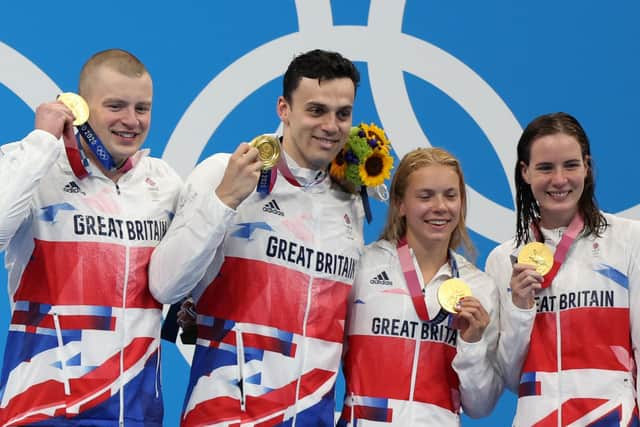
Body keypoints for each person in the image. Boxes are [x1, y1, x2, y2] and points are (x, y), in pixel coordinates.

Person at [149, 49, 365, 426]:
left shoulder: (349, 201)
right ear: (284, 108)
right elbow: (166, 286)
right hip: (225, 414)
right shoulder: (225, 173)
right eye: (316, 110)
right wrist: (225, 200)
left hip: (311, 415)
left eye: (343, 114)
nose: (331, 126)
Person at [0, 49, 182, 426]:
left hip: (137, 415)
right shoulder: (32, 167)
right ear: (79, 107)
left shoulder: (162, 183)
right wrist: (41, 141)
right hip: (42, 411)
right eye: (116, 106)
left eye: (142, 108)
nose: (131, 121)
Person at [486, 112, 640, 425]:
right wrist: (518, 308)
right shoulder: (504, 259)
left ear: (587, 166)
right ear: (525, 172)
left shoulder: (630, 240)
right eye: (545, 168)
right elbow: (511, 377)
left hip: (611, 418)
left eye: (570, 165)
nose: (559, 180)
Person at [337, 147, 503, 426]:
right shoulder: (363, 268)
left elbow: (480, 406)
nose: (440, 206)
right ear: (400, 204)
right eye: (425, 196)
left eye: (451, 195)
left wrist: (472, 343)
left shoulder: (479, 287)